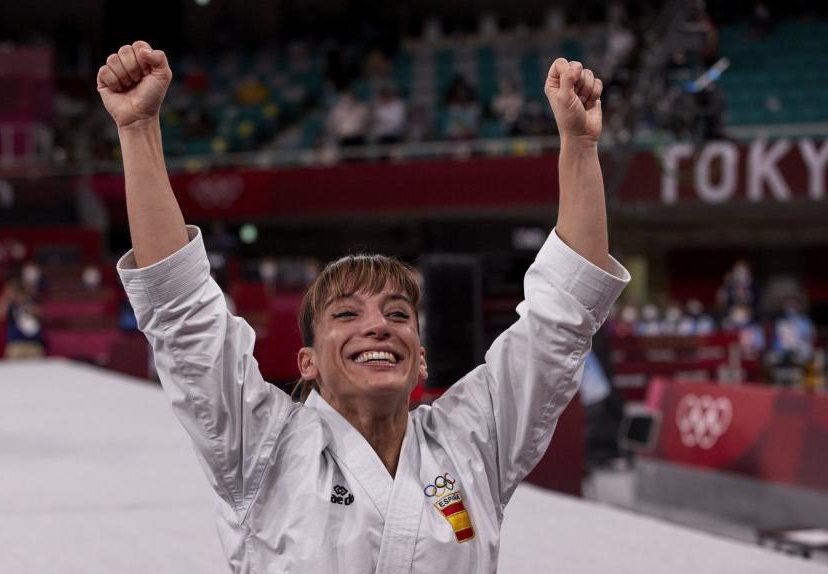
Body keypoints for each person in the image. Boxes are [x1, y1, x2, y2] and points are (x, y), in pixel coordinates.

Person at [99, 41, 628, 572]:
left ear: (420, 358)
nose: (378, 326)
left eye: (398, 314)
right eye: (347, 314)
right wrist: (139, 128)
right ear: (307, 362)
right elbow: (181, 313)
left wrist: (579, 147)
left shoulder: (473, 442)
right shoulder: (260, 446)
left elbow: (564, 315)